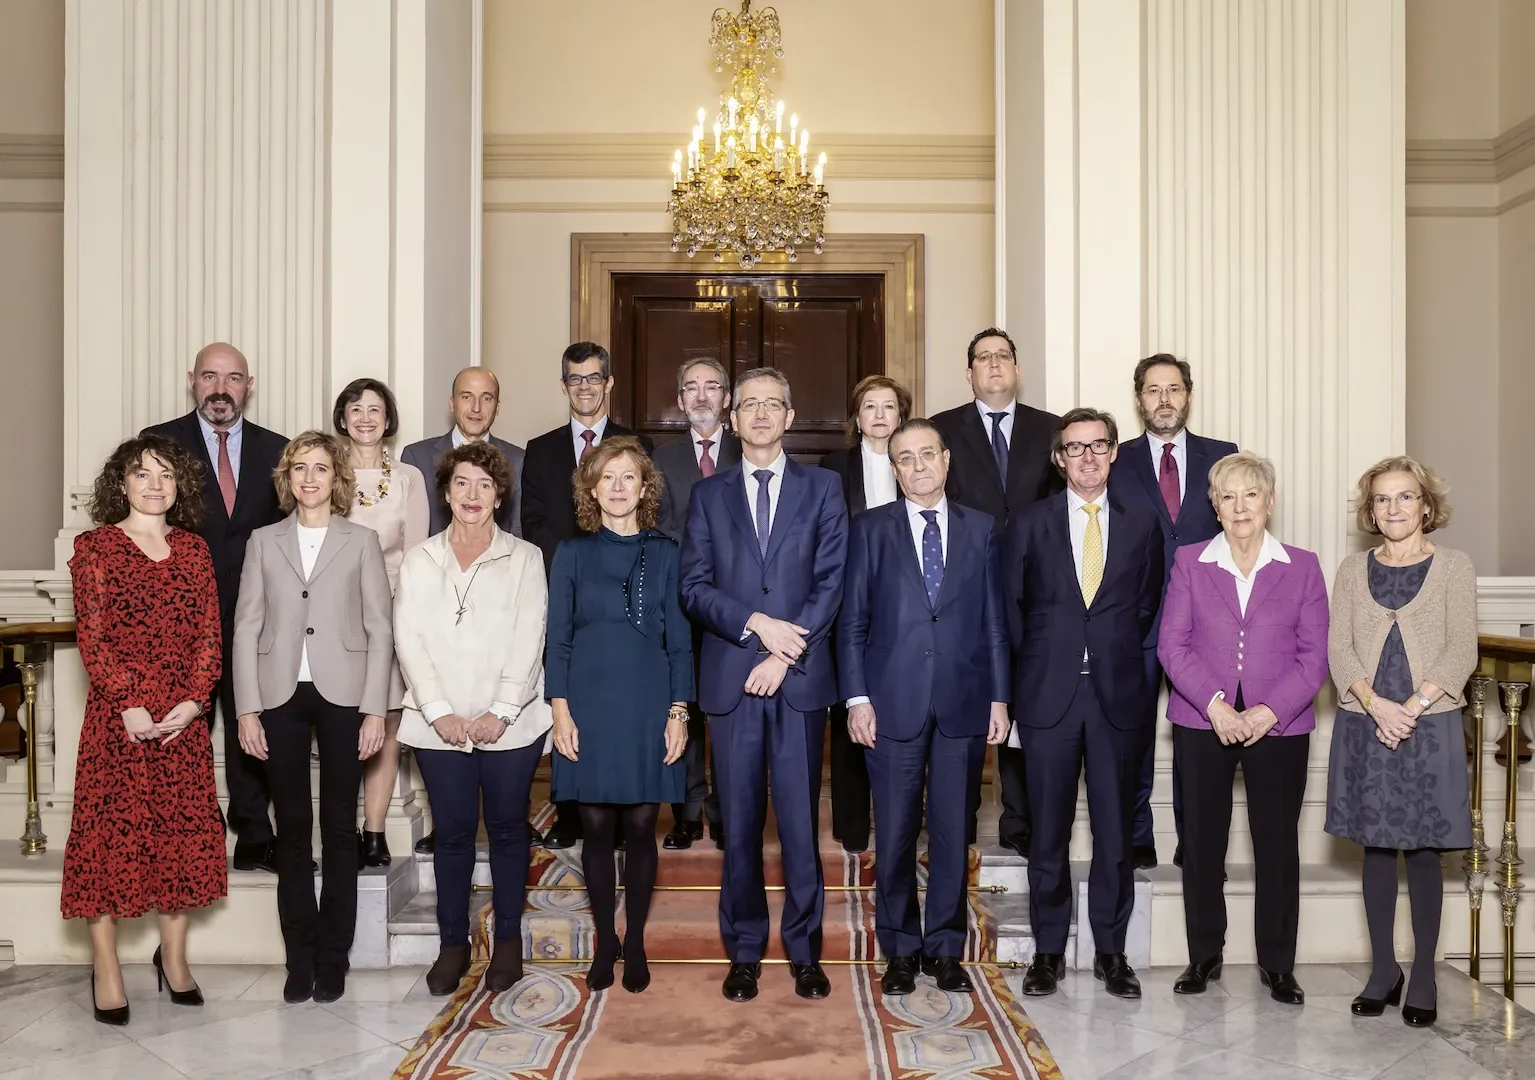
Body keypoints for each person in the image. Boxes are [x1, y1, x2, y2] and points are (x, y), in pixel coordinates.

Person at [680, 366, 849, 1005]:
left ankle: (805, 953)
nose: (759, 414)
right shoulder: (709, 495)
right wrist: (755, 624)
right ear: (731, 416)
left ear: (789, 414)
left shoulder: (824, 488)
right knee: (742, 824)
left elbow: (832, 580)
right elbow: (693, 586)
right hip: (730, 678)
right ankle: (744, 952)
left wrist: (786, 650)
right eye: (748, 404)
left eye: (771, 404)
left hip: (799, 679)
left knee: (802, 827)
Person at [838, 419, 1010, 996]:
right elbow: (853, 621)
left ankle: (944, 949)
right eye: (905, 458)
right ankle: (900, 950)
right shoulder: (869, 529)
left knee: (952, 830)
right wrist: (857, 697)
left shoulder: (981, 529)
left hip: (963, 702)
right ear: (894, 468)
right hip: (891, 704)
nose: (918, 466)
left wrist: (999, 696)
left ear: (947, 459)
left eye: (927, 455)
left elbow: (993, 621)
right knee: (894, 831)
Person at [65, 436, 227, 1025]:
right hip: (119, 722)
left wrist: (194, 701)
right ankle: (106, 968)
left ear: (179, 484)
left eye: (165, 474)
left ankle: (175, 961)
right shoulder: (96, 548)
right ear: (122, 485)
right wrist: (129, 702)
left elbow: (211, 634)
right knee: (107, 843)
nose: (154, 485)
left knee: (178, 841)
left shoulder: (194, 550)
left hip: (181, 725)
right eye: (141, 475)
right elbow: (94, 636)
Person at [1157, 452, 1328, 1005]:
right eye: (1227, 496)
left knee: (1276, 845)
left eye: (1250, 495)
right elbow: (1172, 646)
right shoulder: (1190, 561)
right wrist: (1216, 707)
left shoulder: (1302, 566)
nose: (1239, 506)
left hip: (1280, 726)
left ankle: (1279, 964)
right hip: (1203, 721)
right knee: (1202, 844)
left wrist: (1266, 712)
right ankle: (1203, 955)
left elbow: (1314, 657)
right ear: (1214, 506)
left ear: (1269, 501)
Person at [232, 430, 393, 1005]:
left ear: (336, 478)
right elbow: (246, 625)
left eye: (321, 468)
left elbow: (380, 627)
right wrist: (247, 707)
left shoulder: (361, 541)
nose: (309, 478)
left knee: (341, 833)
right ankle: (298, 959)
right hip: (278, 696)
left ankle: (334, 958)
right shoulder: (262, 541)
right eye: (300, 468)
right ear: (287, 477)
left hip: (345, 694)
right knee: (293, 832)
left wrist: (376, 707)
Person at [1008, 408, 1163, 1001]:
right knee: (1047, 832)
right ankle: (1048, 952)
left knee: (1114, 836)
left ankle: (1111, 951)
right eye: (1075, 448)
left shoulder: (1143, 524)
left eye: (1098, 446)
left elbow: (1146, 609)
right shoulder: (1029, 522)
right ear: (1059, 459)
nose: (1088, 457)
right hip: (1047, 700)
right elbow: (1013, 611)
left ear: (1115, 452)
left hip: (1118, 700)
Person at [393, 442, 551, 998]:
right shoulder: (419, 559)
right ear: (446, 492)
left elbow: (530, 639)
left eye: (485, 486)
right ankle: (452, 946)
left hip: (512, 725)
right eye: (462, 484)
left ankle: (507, 944)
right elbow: (407, 639)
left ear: (499, 495)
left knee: (508, 833)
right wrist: (438, 713)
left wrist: (500, 713)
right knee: (454, 835)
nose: (473, 495)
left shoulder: (525, 558)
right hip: (439, 726)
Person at [1326, 456, 1477, 1028]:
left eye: (1405, 497)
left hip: (1429, 723)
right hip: (1367, 720)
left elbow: (1461, 647)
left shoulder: (1454, 566)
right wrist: (1376, 704)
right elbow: (1340, 650)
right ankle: (1383, 970)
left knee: (1423, 850)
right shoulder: (1349, 569)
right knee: (1376, 847)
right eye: (1382, 499)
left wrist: (1411, 708)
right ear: (1370, 510)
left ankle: (1423, 975)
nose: (1393, 508)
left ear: (1426, 505)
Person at [548, 437, 693, 994]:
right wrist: (559, 709)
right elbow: (556, 640)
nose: (617, 487)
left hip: (649, 701)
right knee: (597, 825)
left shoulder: (667, 553)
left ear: (644, 486)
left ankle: (634, 942)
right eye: (606, 477)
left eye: (627, 476)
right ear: (591, 487)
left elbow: (680, 644)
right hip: (587, 700)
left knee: (639, 822)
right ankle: (605, 941)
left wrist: (679, 712)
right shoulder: (572, 553)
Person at [142, 342, 288, 872]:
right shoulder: (158, 444)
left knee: (252, 723)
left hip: (258, 612)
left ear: (249, 385)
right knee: (184, 727)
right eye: (209, 376)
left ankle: (253, 833)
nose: (220, 388)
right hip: (182, 615)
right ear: (192, 380)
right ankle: (185, 836)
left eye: (232, 378)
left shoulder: (279, 449)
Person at [930, 328, 1061, 858]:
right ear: (969, 374)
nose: (993, 365)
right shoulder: (942, 429)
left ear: (1016, 367)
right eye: (982, 358)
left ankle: (1020, 823)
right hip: (966, 590)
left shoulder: (1052, 430)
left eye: (1002, 356)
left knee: (1025, 704)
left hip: (1037, 590)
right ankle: (955, 823)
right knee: (966, 706)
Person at [522, 341, 652, 849]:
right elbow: (534, 521)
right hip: (563, 588)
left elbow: (644, 513)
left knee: (617, 700)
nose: (584, 387)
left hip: (623, 592)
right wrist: (573, 570)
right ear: (564, 385)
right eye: (575, 379)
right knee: (569, 699)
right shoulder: (542, 448)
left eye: (594, 378)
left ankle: (621, 809)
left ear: (609, 383)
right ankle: (571, 811)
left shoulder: (633, 443)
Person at [1112, 354, 1237, 870]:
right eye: (1153, 389)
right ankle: (1138, 834)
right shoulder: (1116, 459)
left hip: (1204, 621)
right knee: (1132, 733)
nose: (1164, 399)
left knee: (1200, 736)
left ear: (1188, 394)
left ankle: (1197, 838)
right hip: (1134, 619)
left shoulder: (1222, 455)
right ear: (1138, 398)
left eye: (1174, 389)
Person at [336, 378, 430, 870]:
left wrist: (406, 621)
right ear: (343, 417)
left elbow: (415, 556)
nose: (366, 417)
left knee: (388, 721)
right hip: (334, 616)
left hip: (390, 616)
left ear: (388, 418)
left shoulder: (410, 478)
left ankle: (374, 832)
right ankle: (342, 828)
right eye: (356, 408)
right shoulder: (326, 472)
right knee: (342, 720)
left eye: (375, 409)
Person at [819, 374, 913, 854]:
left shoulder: (916, 465)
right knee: (850, 711)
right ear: (857, 417)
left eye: (889, 406)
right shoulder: (834, 467)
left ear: (902, 415)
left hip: (906, 606)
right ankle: (853, 825)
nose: (879, 415)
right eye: (870, 406)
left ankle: (902, 821)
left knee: (903, 709)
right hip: (848, 601)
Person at [654, 357, 741, 851]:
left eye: (712, 387)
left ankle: (727, 811)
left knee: (728, 711)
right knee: (682, 705)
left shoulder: (747, 450)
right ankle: (686, 812)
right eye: (692, 388)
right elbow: (656, 525)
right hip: (679, 602)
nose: (703, 396)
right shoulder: (660, 457)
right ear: (681, 398)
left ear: (727, 397)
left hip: (736, 605)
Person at [400, 366, 525, 538]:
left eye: (486, 398)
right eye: (467, 397)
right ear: (452, 404)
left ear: (497, 407)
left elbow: (518, 530)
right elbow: (409, 532)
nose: (476, 408)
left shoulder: (518, 460)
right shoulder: (416, 456)